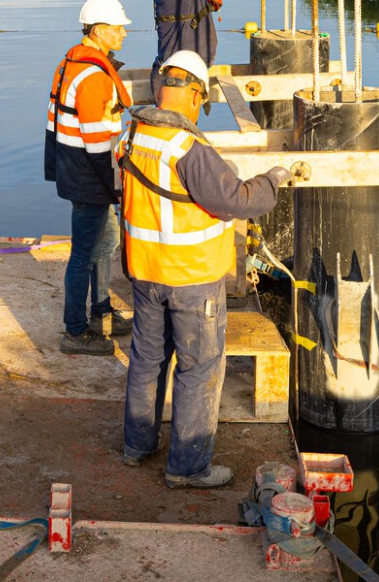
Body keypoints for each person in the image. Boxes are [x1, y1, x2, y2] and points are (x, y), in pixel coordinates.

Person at [116, 50, 287, 488]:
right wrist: (273, 179)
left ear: (160, 89)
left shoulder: (135, 132)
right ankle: (188, 467)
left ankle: (138, 446)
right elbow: (236, 201)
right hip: (191, 277)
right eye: (201, 101)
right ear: (194, 94)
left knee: (147, 359)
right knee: (199, 368)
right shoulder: (188, 147)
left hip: (145, 271)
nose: (200, 109)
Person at [44, 0, 135, 356]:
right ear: (98, 32)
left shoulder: (71, 61)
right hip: (89, 174)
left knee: (105, 243)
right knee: (83, 253)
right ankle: (75, 331)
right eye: (117, 28)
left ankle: (100, 311)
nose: (123, 34)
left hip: (72, 167)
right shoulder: (95, 76)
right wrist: (116, 186)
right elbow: (98, 144)